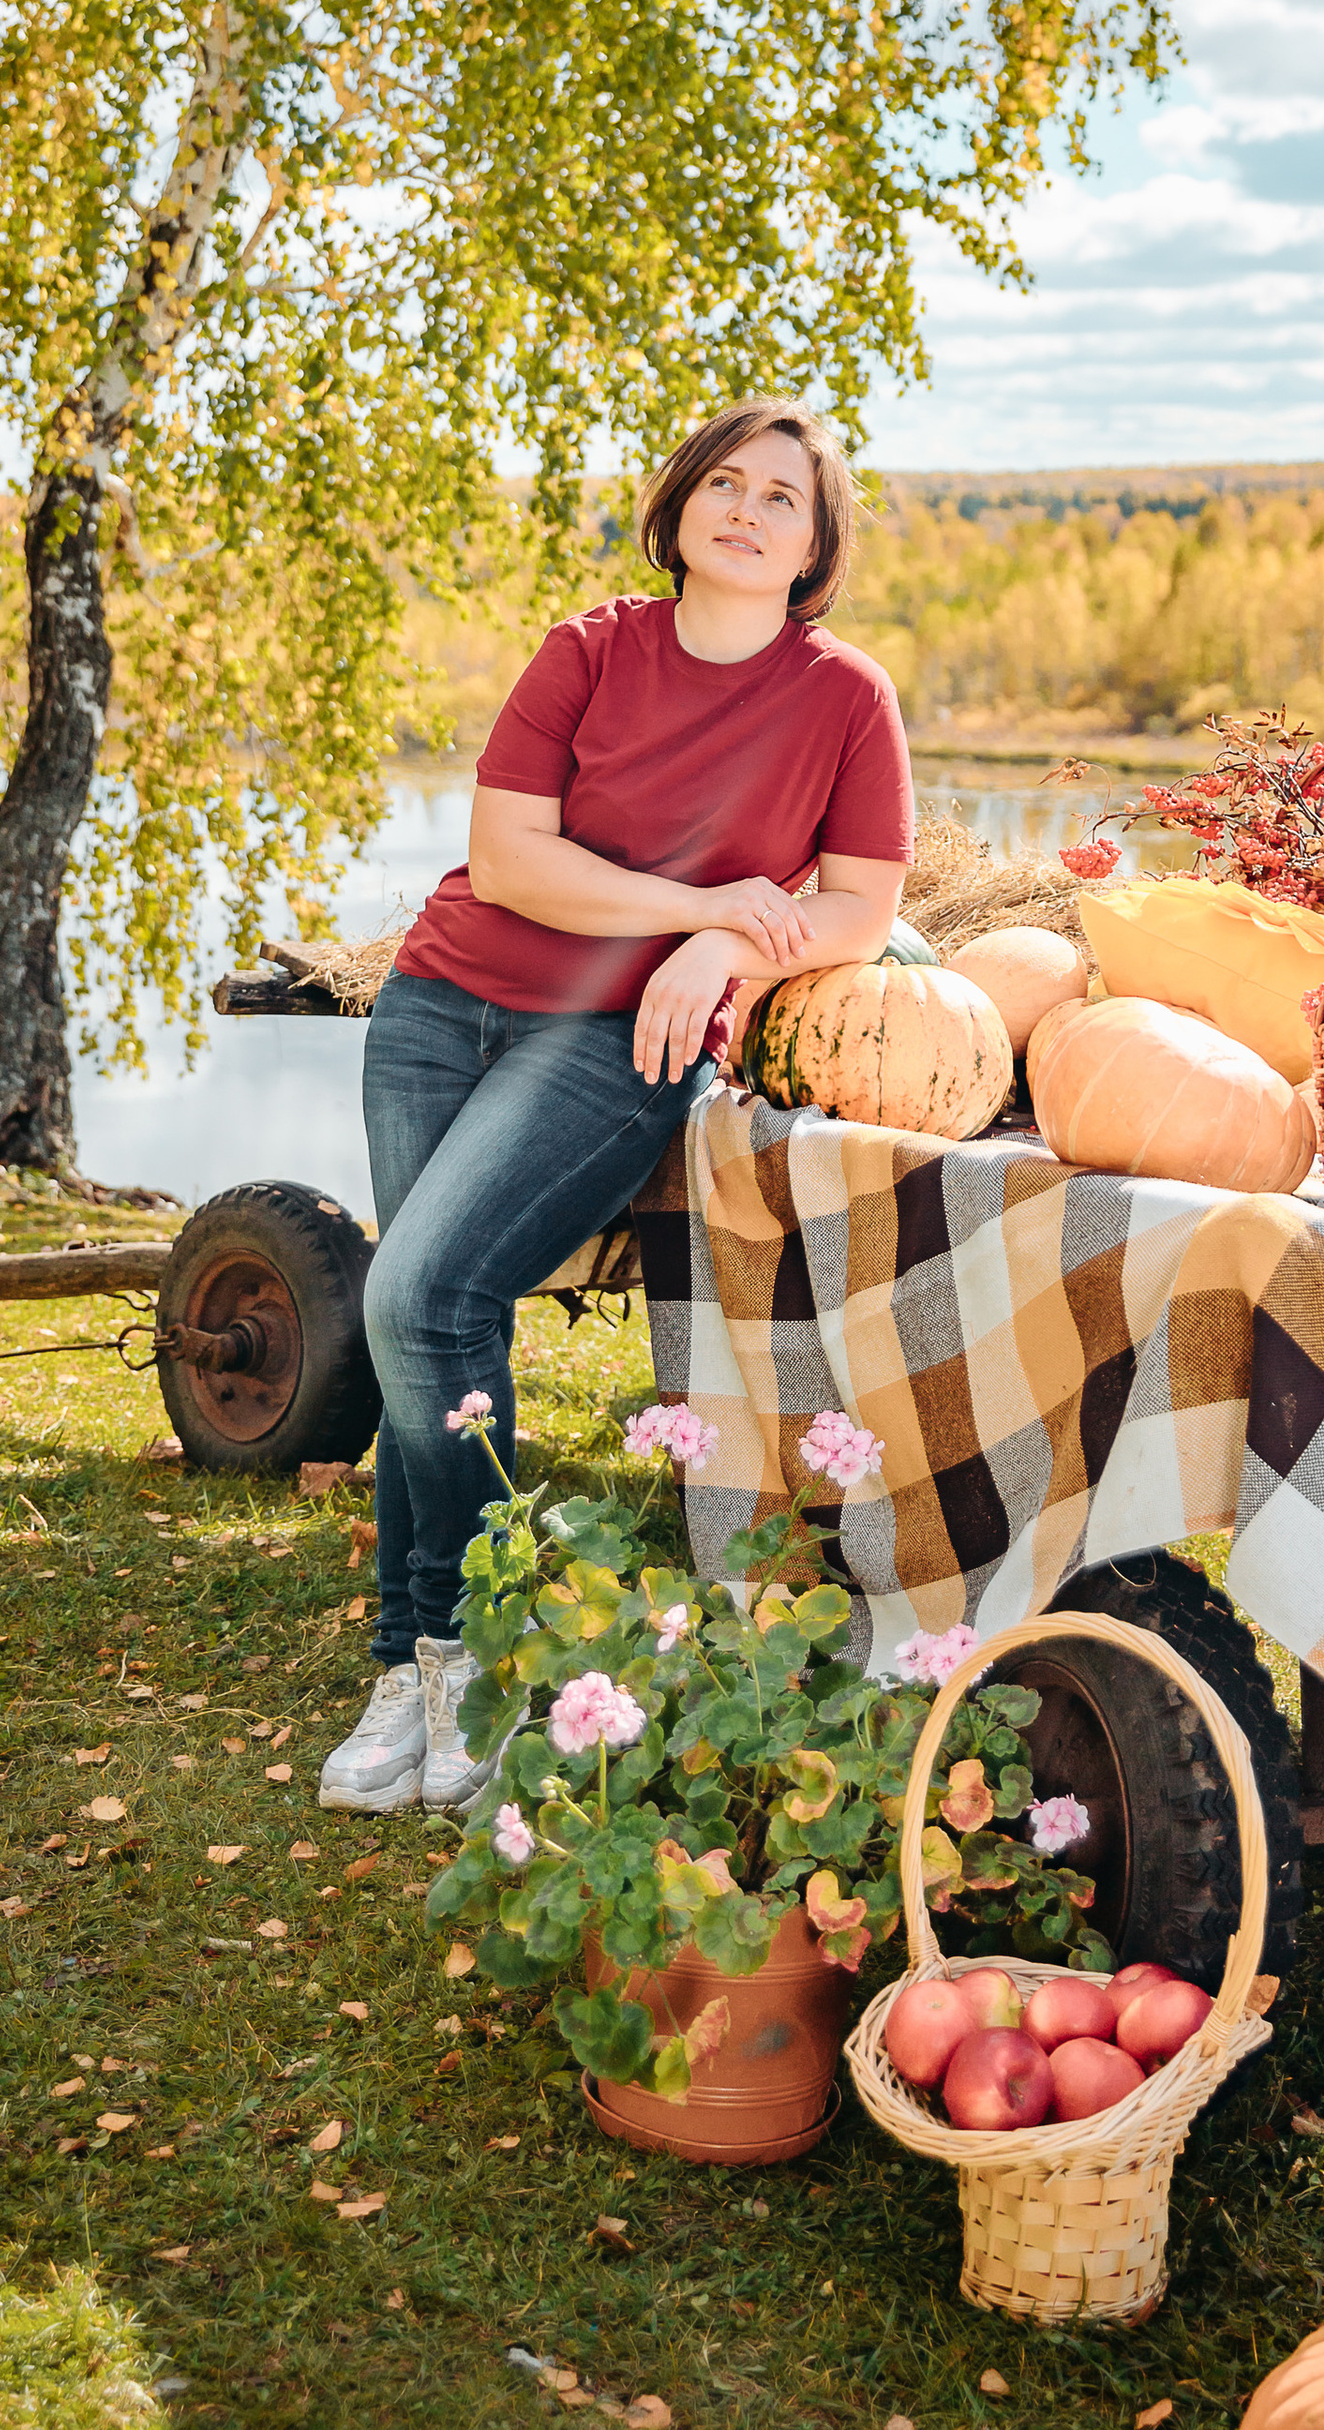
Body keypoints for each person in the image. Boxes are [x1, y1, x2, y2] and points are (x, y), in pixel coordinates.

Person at [318, 397, 915, 1814]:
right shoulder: (592, 649)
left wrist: (714, 952)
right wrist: (709, 903)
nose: (750, 509)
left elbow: (863, 909)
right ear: (682, 507)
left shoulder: (844, 698)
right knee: (423, 1316)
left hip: (608, 1036)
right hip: (439, 1007)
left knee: (418, 1305)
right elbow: (510, 861)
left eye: (785, 496)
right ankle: (419, 1674)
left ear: (815, 544)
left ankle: (461, 1659)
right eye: (726, 481)